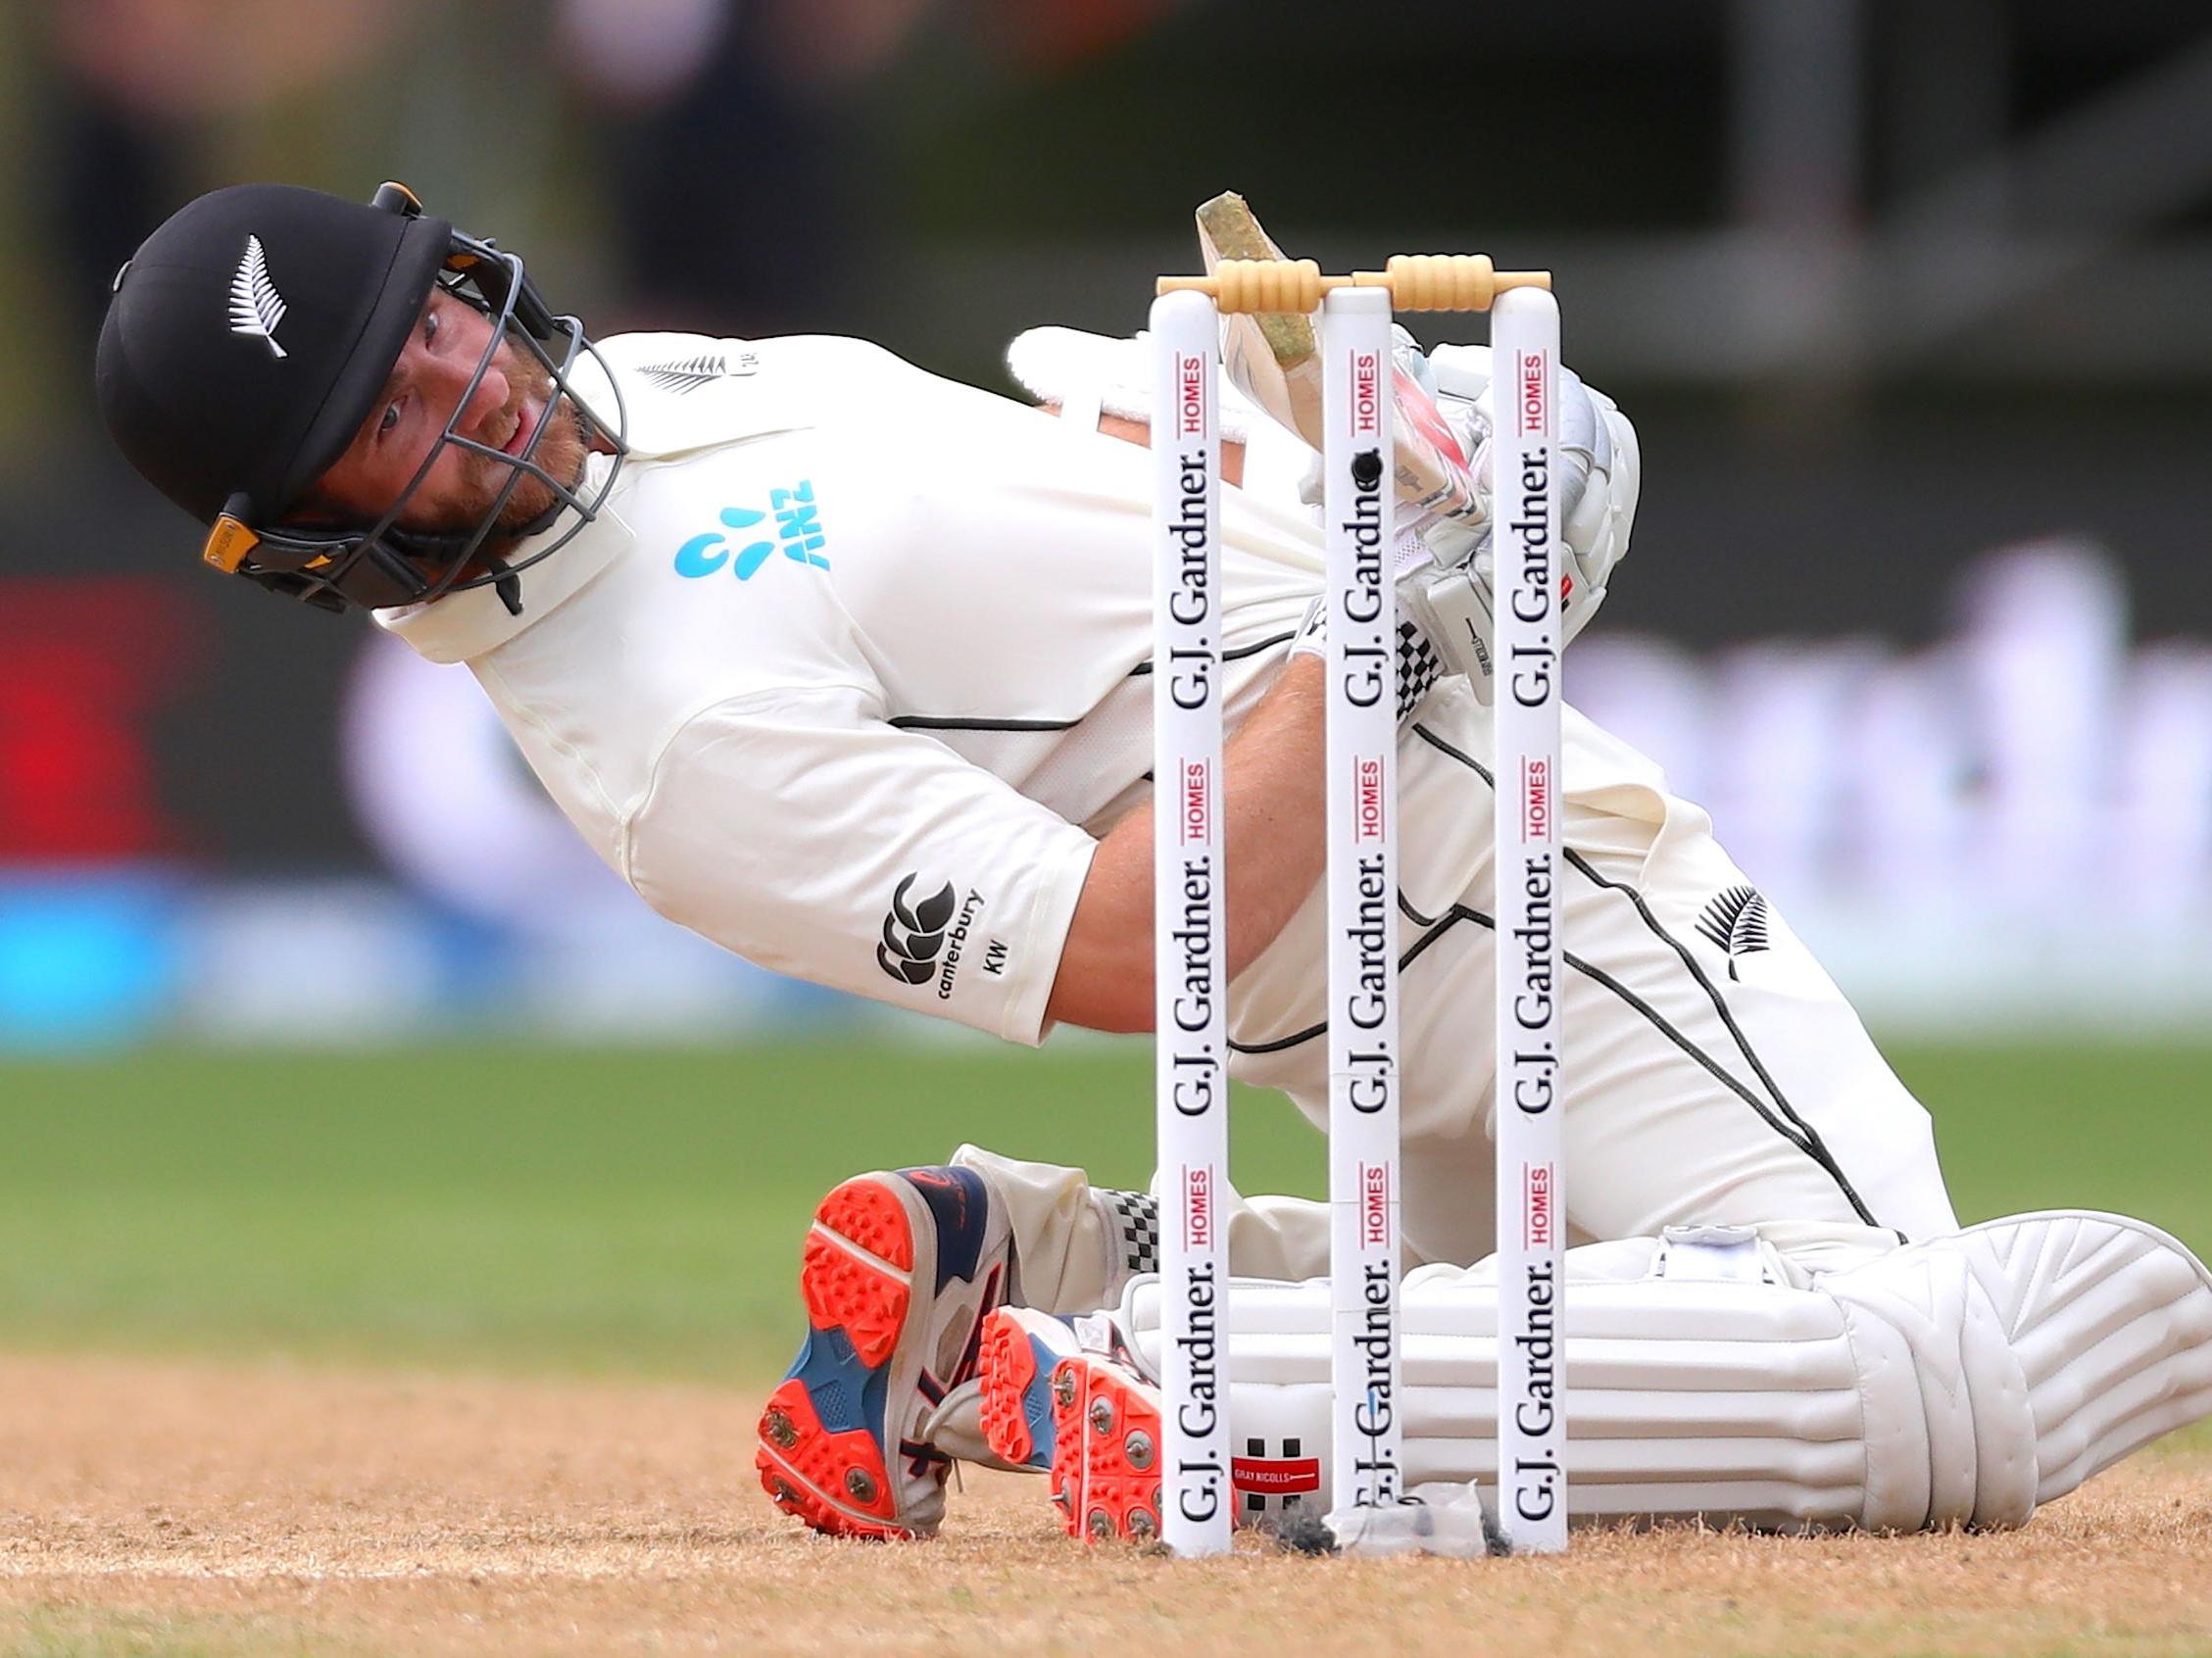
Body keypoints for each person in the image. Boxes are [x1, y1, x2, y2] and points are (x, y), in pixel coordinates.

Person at [98, 182, 2212, 1546]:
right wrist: (1401, 606)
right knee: (1965, 1371)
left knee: (1712, 1371)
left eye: (431, 323)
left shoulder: (670, 382)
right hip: (1504, 895)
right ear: (315, 539)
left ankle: (1059, 1274)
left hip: (1450, 897)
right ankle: (1204, 1383)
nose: (467, 389)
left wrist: (1376, 453)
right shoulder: (661, 747)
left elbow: (1114, 549)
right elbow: (1134, 951)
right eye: (385, 417)